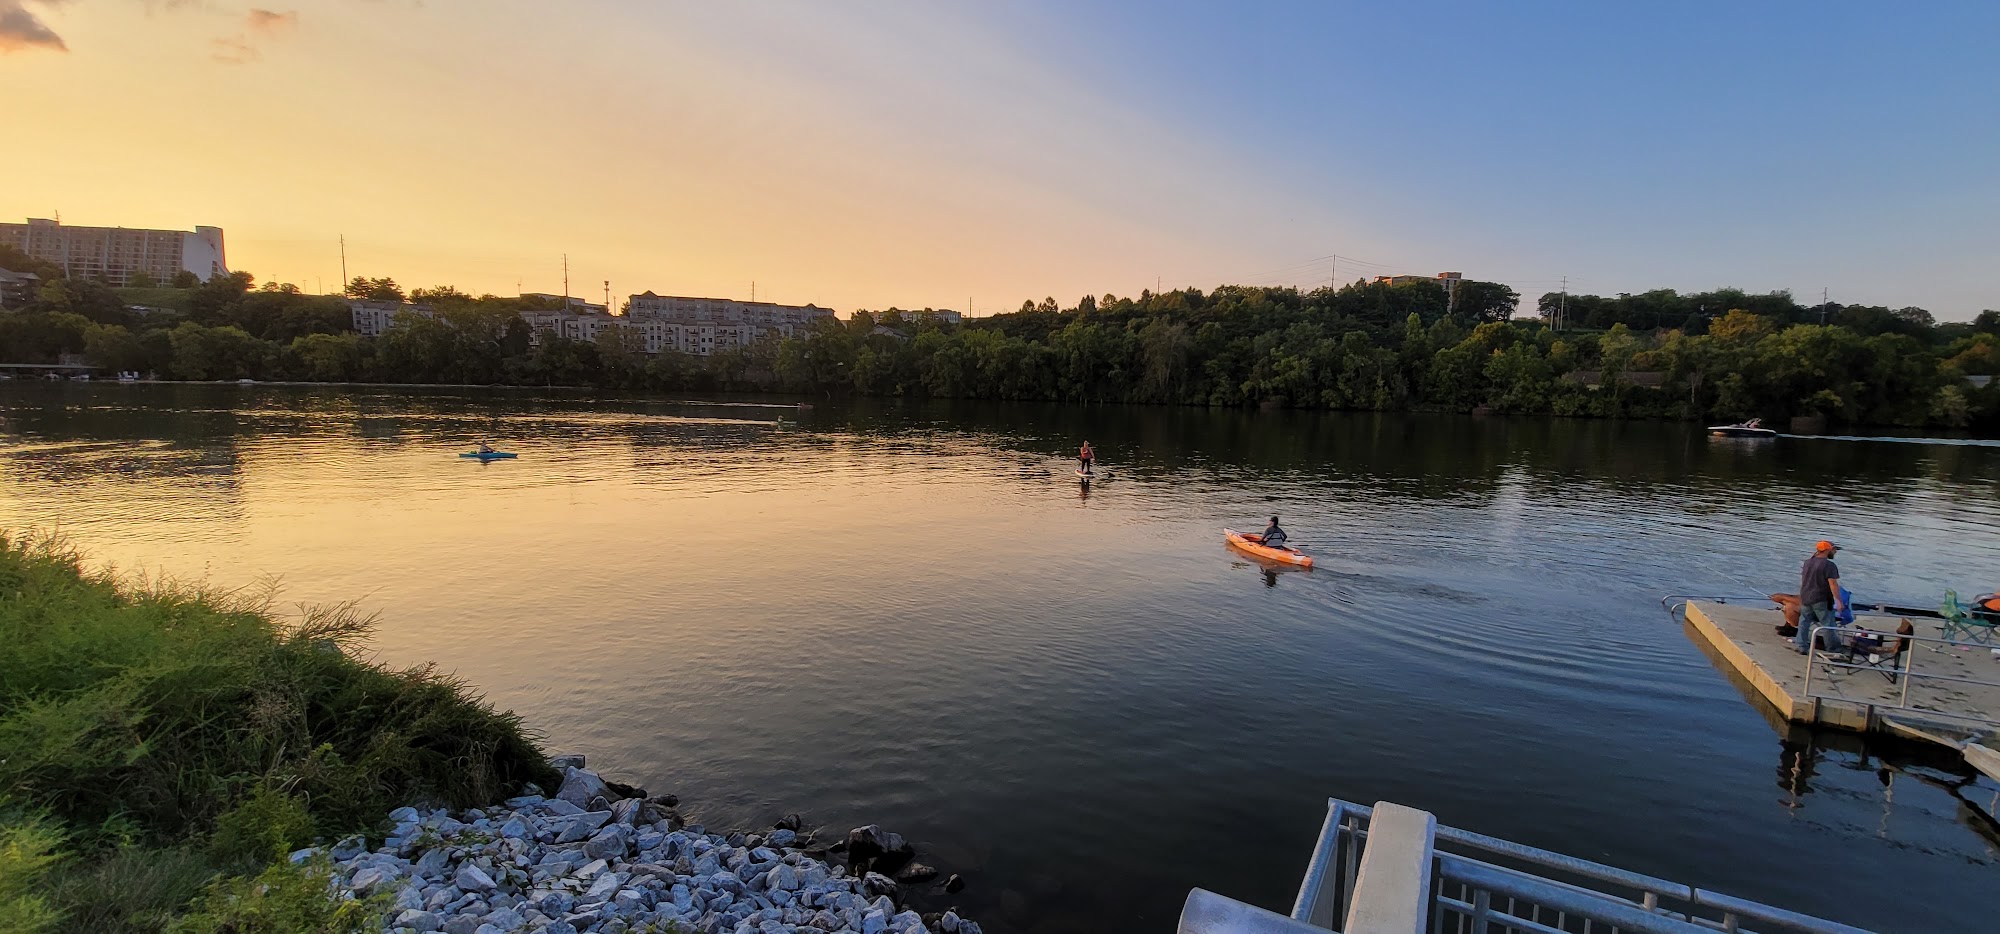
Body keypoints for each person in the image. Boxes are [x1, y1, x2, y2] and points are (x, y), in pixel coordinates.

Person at [1795, 540, 1844, 655]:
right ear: (1827, 550)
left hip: (1806, 597)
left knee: (1804, 622)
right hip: (1821, 599)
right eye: (1834, 549)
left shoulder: (1808, 562)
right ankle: (1833, 649)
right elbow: (1833, 584)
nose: (1835, 552)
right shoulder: (1829, 565)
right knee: (1828, 625)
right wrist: (1839, 601)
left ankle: (1801, 646)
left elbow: (1804, 581)